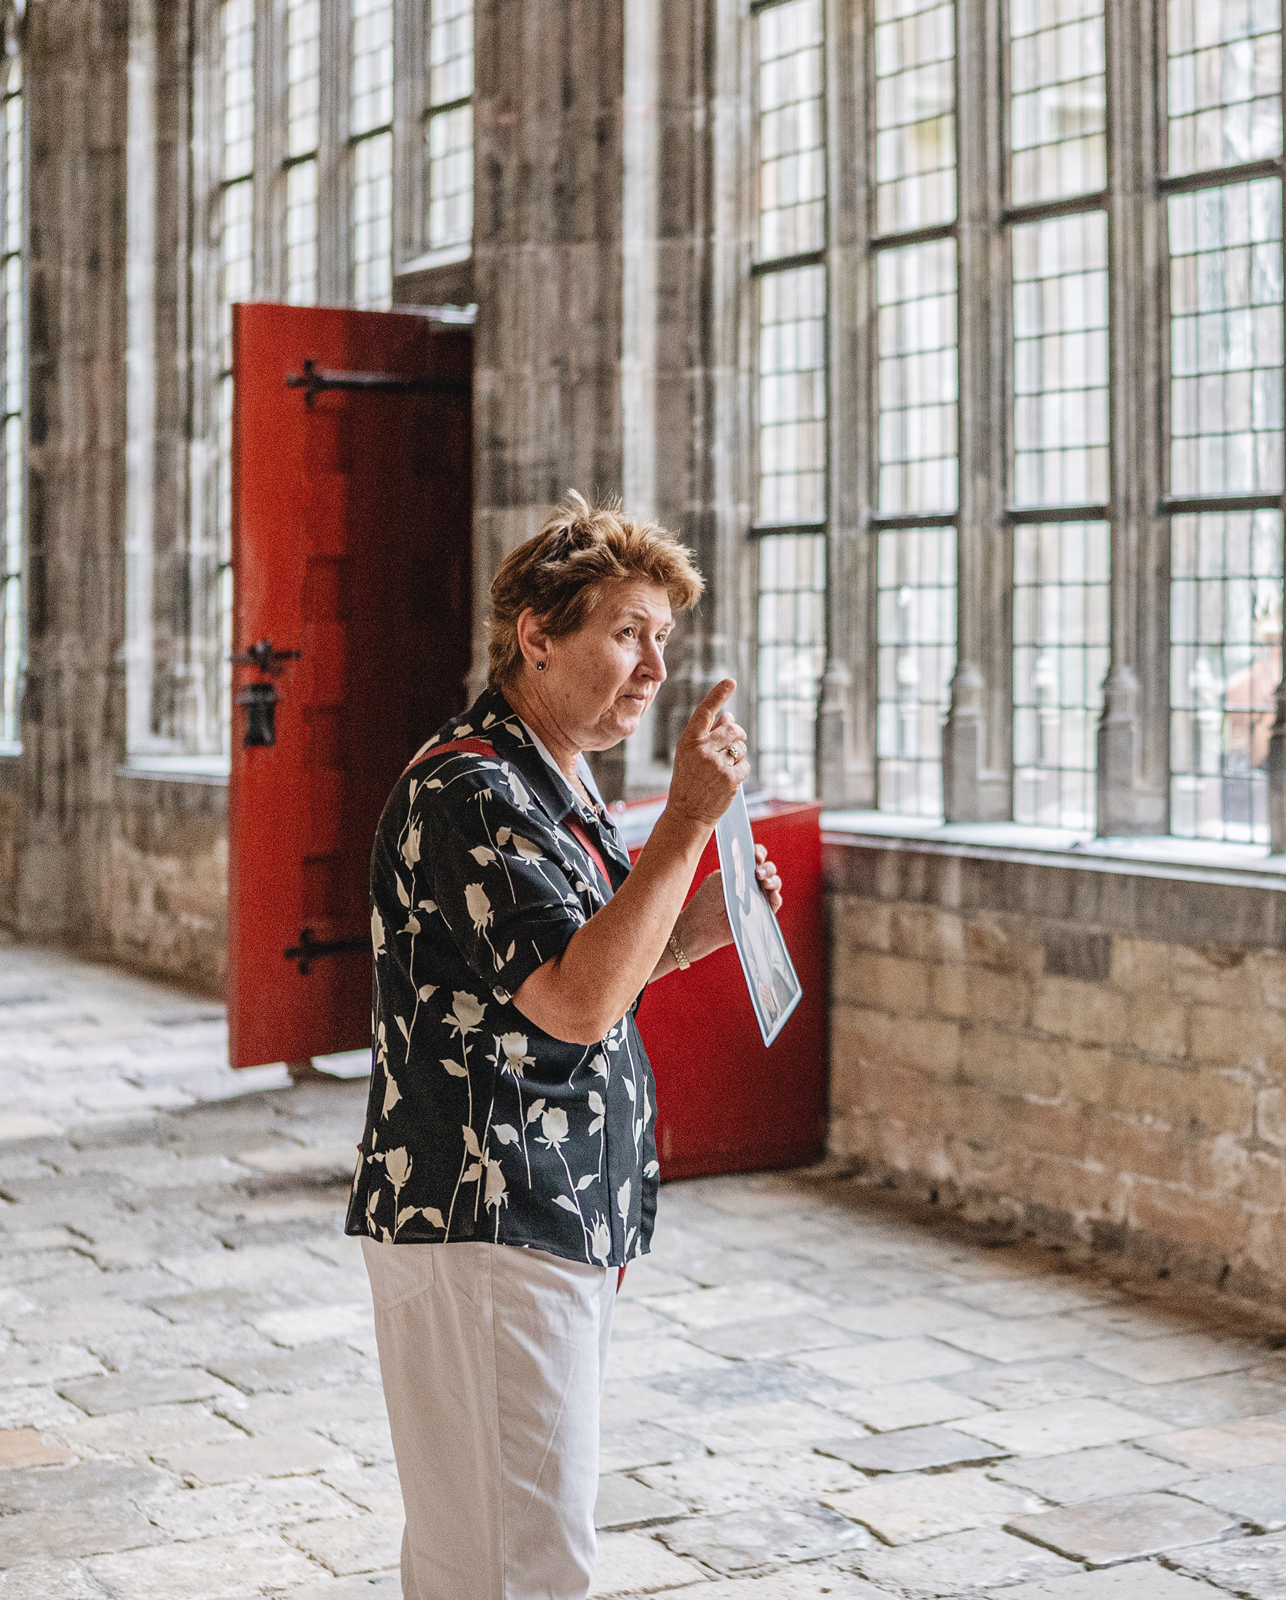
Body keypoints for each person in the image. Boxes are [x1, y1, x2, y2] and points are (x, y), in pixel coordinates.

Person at [345, 493, 783, 1600]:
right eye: (626, 632)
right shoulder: (472, 788)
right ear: (538, 634)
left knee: (487, 1552)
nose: (652, 666)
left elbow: (577, 968)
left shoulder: (555, 777)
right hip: (485, 1210)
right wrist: (685, 820)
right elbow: (579, 1002)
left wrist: (696, 928)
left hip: (546, 1208)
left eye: (662, 641)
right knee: (520, 1565)